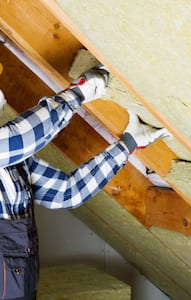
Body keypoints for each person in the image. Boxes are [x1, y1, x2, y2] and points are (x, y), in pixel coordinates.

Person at [0, 63, 170, 299]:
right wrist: (79, 92)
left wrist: (128, 144)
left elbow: (66, 191)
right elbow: (22, 138)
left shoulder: (10, 162)